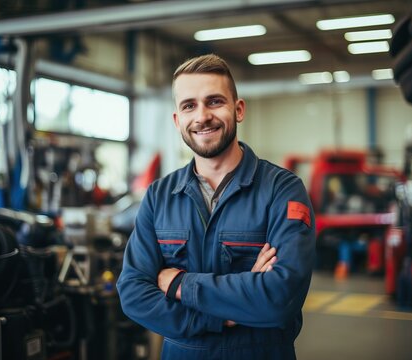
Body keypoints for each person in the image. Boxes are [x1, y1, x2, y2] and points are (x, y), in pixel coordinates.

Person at [117, 54, 316, 360]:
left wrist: (180, 283)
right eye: (189, 106)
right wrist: (220, 315)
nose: (201, 116)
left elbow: (279, 299)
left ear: (238, 110)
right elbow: (133, 293)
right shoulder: (159, 196)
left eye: (214, 101)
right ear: (177, 120)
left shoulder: (282, 190)